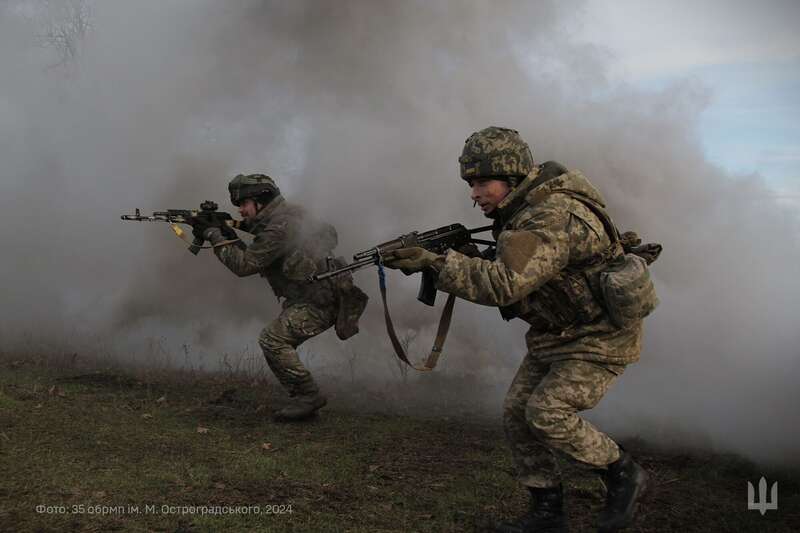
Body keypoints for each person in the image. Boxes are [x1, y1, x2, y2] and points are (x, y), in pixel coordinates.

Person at [383, 127, 656, 532]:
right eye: (470, 183)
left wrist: (436, 264)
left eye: (481, 182)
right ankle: (547, 514)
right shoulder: (521, 211)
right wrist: (462, 256)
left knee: (547, 412)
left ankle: (622, 472)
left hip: (599, 335)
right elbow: (516, 270)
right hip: (557, 333)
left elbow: (505, 284)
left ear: (511, 177)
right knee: (516, 414)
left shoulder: (549, 214)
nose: (474, 193)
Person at [192, 173, 367, 422]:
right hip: (318, 295)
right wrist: (225, 230)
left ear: (260, 201)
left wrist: (214, 235)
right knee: (276, 340)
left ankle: (308, 397)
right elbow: (258, 250)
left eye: (244, 204)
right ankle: (304, 397)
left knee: (273, 339)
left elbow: (245, 265)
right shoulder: (289, 215)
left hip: (319, 301)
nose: (240, 210)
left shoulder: (279, 227)